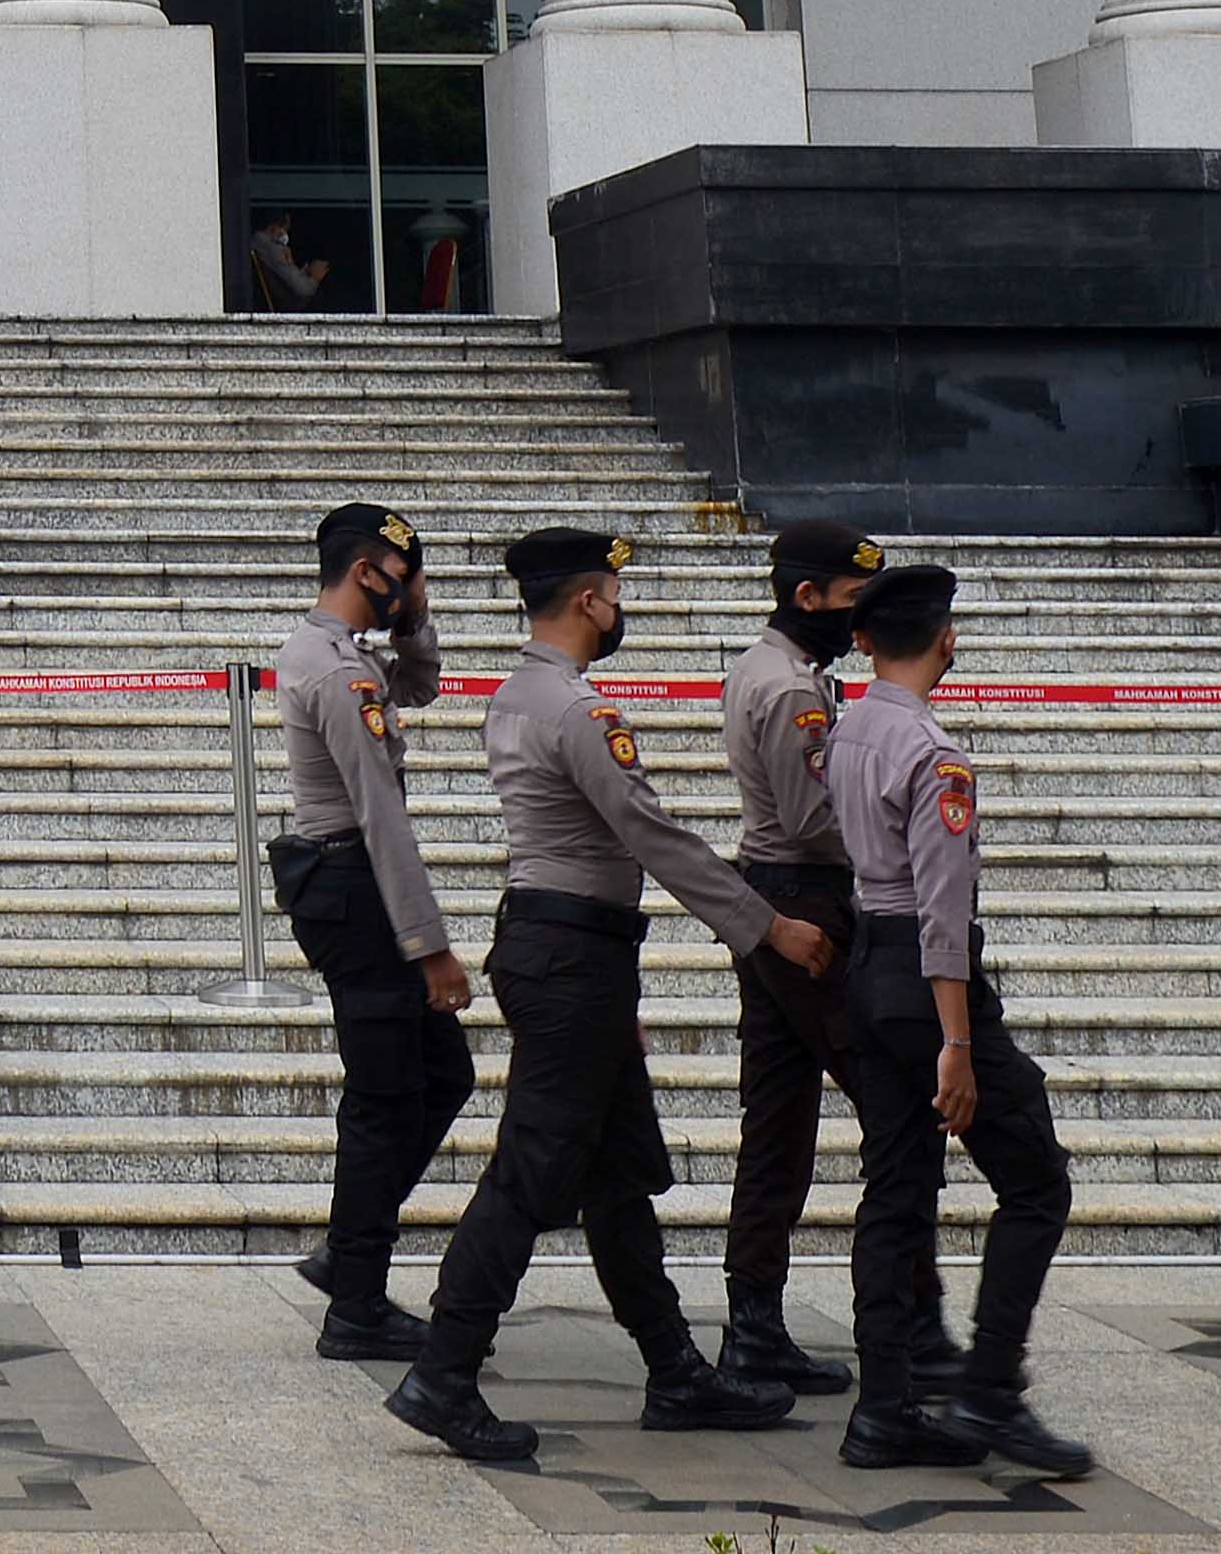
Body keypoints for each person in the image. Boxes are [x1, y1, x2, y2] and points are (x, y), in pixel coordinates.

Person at [383, 525, 831, 1470]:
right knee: (532, 1170)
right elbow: (651, 834)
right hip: (572, 959)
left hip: (566, 953)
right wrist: (766, 925)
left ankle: (673, 1368)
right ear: (589, 602)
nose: (619, 612)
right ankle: (445, 1368)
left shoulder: (514, 694)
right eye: (614, 598)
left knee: (617, 1172)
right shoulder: (579, 712)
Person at [829, 564, 1091, 1480]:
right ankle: (989, 1387)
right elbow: (944, 918)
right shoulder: (934, 753)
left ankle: (883, 1408)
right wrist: (958, 1044)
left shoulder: (850, 729)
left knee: (895, 1192)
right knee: (1037, 1182)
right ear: (945, 639)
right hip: (923, 981)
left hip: (866, 966)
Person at [714, 515, 928, 1403]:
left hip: (774, 895)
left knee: (778, 1114)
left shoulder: (773, 670)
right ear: (807, 598)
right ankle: (910, 1318)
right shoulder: (794, 691)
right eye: (850, 603)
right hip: (803, 904)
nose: (859, 622)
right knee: (893, 1098)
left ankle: (754, 1321)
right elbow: (812, 820)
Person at [269, 503, 469, 1360]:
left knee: (441, 1072)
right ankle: (356, 1302)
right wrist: (431, 946)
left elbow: (417, 685)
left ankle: (349, 1244)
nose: (408, 589)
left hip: (352, 880)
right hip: (354, 886)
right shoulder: (334, 672)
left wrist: (417, 621)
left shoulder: (345, 656)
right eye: (403, 575)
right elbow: (380, 814)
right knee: (386, 1097)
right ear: (366, 572)